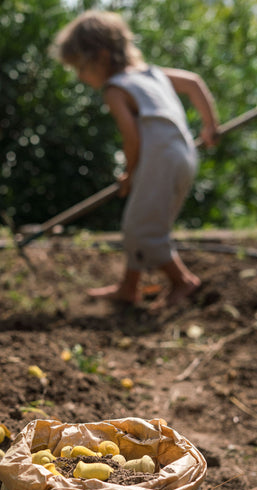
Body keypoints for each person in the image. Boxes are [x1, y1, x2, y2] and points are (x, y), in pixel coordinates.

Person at [53, 10, 219, 307]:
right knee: (146, 222)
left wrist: (130, 173)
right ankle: (128, 287)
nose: (79, 75)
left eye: (80, 66)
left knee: (140, 228)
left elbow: (133, 139)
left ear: (101, 56)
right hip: (183, 156)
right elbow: (194, 82)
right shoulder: (153, 74)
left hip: (158, 161)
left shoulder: (115, 89)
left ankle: (183, 281)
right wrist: (210, 126)